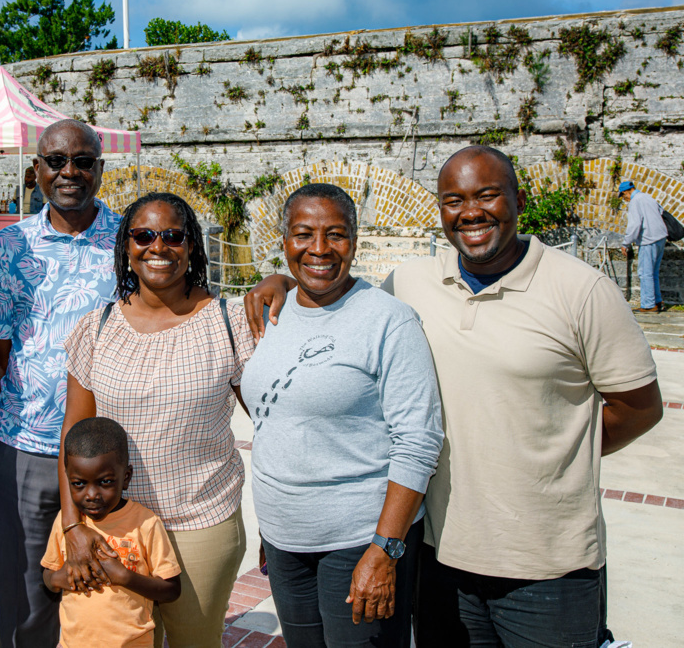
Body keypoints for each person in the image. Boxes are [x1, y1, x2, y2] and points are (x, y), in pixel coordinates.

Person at [246, 146, 663, 647]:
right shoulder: (415, 282)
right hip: (442, 552)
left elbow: (641, 408)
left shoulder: (582, 290)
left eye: (488, 196)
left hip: (546, 561)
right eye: (453, 200)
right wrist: (283, 283)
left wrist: (551, 458)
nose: (470, 212)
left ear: (518, 200)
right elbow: (342, 302)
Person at [239, 184, 442, 647]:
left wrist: (385, 548)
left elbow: (418, 439)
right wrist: (272, 528)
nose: (319, 249)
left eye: (336, 234)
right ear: (284, 239)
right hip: (286, 539)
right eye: (303, 233)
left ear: (355, 239)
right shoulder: (269, 310)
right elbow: (275, 417)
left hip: (359, 539)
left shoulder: (389, 320)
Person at [61, 192, 256, 647]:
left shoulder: (228, 322)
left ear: (192, 246)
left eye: (173, 236)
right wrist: (73, 527)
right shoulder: (97, 328)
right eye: (144, 235)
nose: (158, 247)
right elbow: (72, 437)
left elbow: (272, 423)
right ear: (126, 246)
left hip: (200, 525)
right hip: (113, 528)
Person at [0, 118, 120, 647]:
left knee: (107, 604)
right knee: (27, 607)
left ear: (99, 170)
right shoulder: (12, 245)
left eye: (83, 161)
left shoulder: (131, 240)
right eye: (56, 161)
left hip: (106, 456)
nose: (69, 172)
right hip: (24, 448)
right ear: (37, 169)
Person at [42, 416, 182, 647]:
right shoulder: (68, 523)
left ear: (125, 477)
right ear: (67, 478)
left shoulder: (145, 523)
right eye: (78, 484)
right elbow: (47, 575)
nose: (91, 495)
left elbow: (171, 589)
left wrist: (124, 576)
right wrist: (60, 577)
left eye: (105, 482)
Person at [619, 180, 667, 312]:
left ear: (625, 192)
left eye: (623, 196)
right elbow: (661, 212)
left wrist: (626, 243)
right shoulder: (648, 197)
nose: (625, 199)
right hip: (661, 237)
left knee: (645, 272)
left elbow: (634, 225)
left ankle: (649, 304)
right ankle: (658, 301)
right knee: (653, 272)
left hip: (649, 239)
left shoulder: (635, 202)